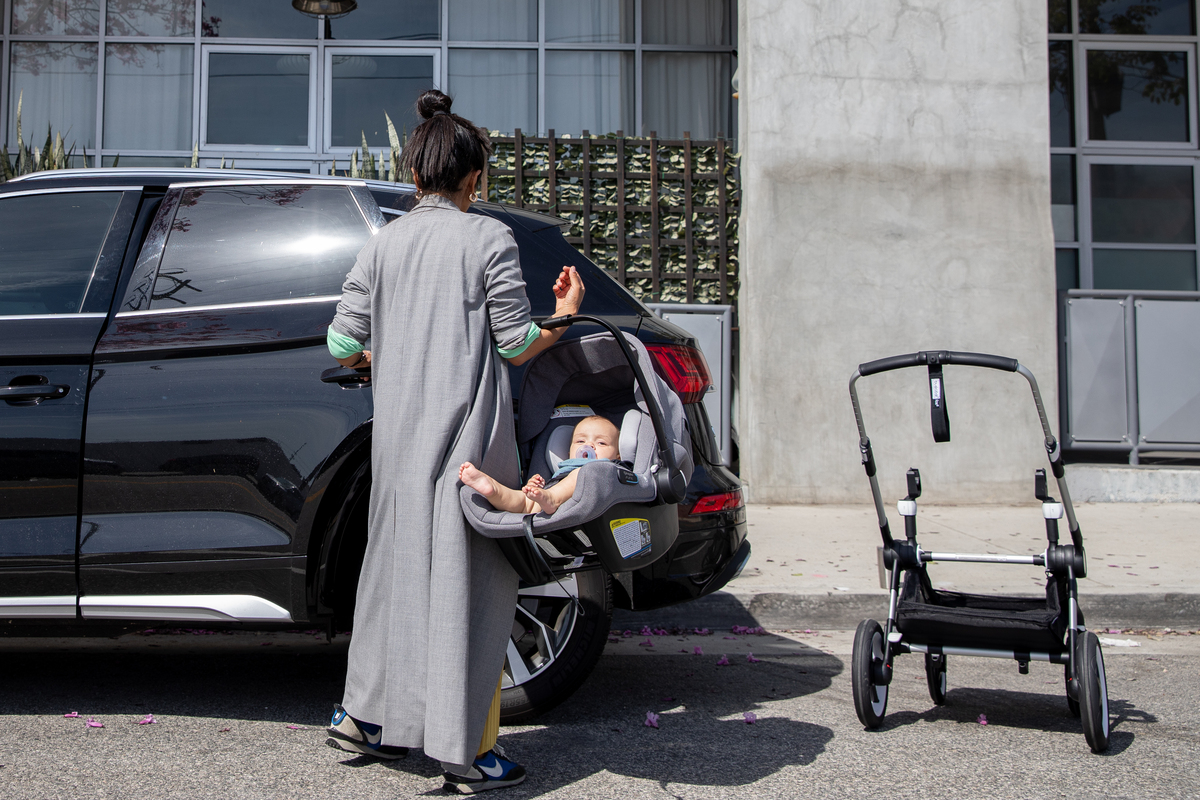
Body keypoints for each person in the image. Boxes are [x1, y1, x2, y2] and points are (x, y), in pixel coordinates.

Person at [323, 88, 584, 794]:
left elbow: (341, 339)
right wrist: (562, 316)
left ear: (412, 176)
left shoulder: (382, 245)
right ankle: (465, 756)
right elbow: (516, 342)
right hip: (470, 451)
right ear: (476, 179)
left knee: (389, 581)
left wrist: (373, 360)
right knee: (471, 597)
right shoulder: (488, 238)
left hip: (398, 449)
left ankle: (364, 718)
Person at [460, 414, 620, 516]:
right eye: (580, 441)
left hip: (588, 497)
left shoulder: (614, 469)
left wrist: (549, 496)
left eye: (601, 442)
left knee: (585, 472)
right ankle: (494, 490)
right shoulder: (563, 470)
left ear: (617, 454)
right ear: (570, 449)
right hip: (552, 497)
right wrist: (536, 489)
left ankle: (551, 498)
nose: (589, 446)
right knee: (524, 503)